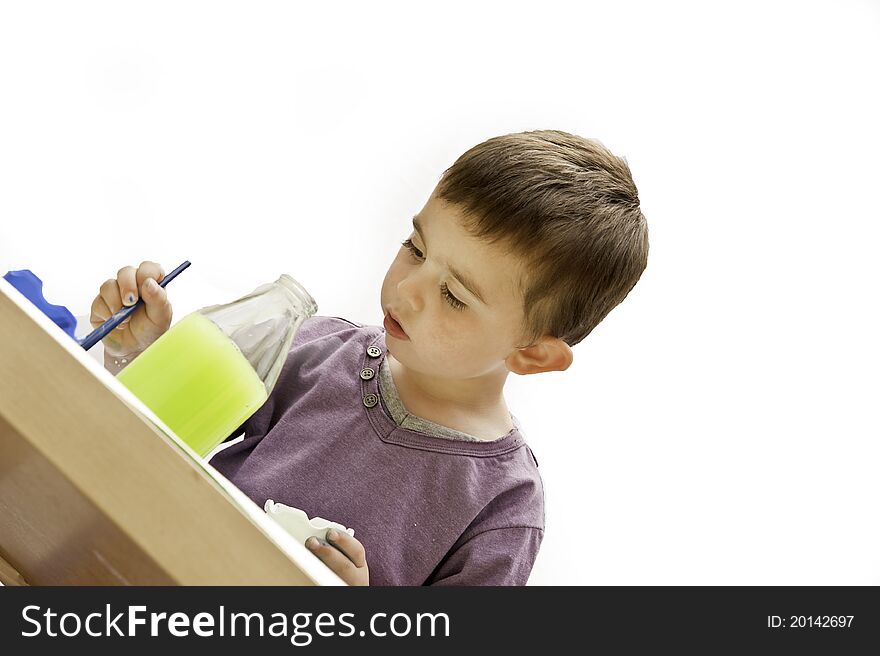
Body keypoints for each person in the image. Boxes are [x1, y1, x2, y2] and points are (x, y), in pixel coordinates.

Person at [90, 130, 649, 585]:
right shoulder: (316, 351)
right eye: (416, 249)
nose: (407, 290)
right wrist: (134, 352)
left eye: (454, 296)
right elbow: (146, 443)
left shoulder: (502, 508)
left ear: (531, 353)